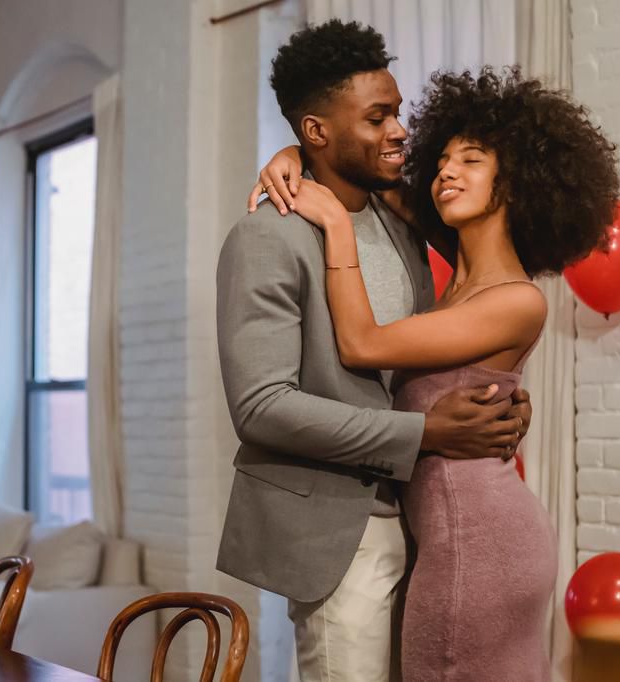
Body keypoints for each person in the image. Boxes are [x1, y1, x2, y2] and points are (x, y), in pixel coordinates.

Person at [259, 66, 620, 681]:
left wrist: (338, 227)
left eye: (472, 159)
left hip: (477, 547)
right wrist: (297, 147)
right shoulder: (460, 282)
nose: (447, 171)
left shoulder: (514, 300)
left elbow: (363, 343)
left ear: (519, 181)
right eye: (444, 158)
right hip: (456, 539)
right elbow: (358, 165)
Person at [215, 21, 532, 682]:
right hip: (338, 532)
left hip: (430, 527)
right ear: (317, 130)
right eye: (378, 117)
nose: (399, 131)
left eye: (398, 112)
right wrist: (424, 431)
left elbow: (480, 310)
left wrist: (501, 393)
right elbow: (262, 407)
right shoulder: (267, 238)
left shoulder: (402, 221)